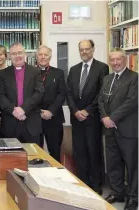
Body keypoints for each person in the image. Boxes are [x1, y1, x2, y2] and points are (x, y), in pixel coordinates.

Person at [66, 39, 108, 194]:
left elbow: (101, 93)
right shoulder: (74, 69)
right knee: (79, 153)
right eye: (81, 49)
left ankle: (96, 185)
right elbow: (68, 93)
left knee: (94, 152)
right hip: (77, 119)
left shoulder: (102, 68)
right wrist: (75, 110)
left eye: (87, 49)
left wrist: (87, 111)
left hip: (92, 119)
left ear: (93, 49)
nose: (84, 52)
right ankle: (82, 183)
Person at [98, 48, 137, 210]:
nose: (115, 63)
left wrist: (112, 118)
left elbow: (132, 102)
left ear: (125, 60)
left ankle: (133, 198)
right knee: (113, 164)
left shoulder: (134, 78)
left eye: (118, 59)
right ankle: (117, 192)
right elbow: (100, 100)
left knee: (132, 166)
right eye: (112, 60)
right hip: (110, 130)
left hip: (128, 130)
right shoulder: (107, 79)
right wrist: (104, 117)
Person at [0, 42, 43, 144]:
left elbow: (39, 93)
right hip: (10, 124)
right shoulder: (2, 74)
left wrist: (23, 109)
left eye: (19, 52)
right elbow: (0, 96)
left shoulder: (35, 71)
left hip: (31, 123)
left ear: (24, 54)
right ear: (9, 56)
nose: (17, 56)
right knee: (11, 158)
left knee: (33, 158)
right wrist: (13, 110)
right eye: (14, 54)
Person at [36, 45, 67, 162]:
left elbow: (61, 94)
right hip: (35, 119)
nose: (43, 57)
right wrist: (39, 112)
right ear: (36, 56)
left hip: (54, 119)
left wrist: (51, 111)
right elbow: (28, 95)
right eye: (40, 54)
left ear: (50, 57)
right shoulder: (30, 72)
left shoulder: (58, 73)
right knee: (36, 152)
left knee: (55, 152)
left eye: (46, 55)